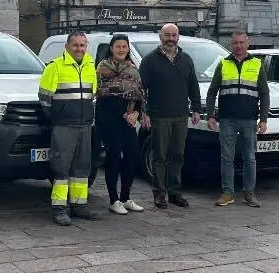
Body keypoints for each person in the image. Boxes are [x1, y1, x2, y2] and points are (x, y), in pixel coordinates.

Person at [38, 31, 102, 225]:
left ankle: (79, 205)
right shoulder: (55, 67)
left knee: (82, 168)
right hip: (64, 126)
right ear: (67, 47)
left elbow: (93, 95)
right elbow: (44, 98)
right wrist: (60, 115)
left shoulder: (91, 66)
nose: (79, 49)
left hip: (85, 125)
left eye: (83, 45)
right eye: (75, 45)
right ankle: (59, 208)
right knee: (61, 168)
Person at [138, 23, 201, 209]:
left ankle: (174, 192)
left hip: (181, 116)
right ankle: (159, 194)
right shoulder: (150, 60)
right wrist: (144, 112)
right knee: (160, 157)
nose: (171, 39)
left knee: (178, 155)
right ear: (160, 36)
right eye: (167, 35)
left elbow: (193, 86)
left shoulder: (186, 59)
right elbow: (141, 90)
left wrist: (196, 108)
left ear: (178, 37)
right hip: (159, 117)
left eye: (174, 35)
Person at [205, 30, 270, 208]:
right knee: (227, 157)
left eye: (241, 42)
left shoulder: (257, 64)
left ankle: (249, 193)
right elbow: (212, 92)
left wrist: (263, 119)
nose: (238, 46)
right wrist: (210, 115)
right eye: (235, 43)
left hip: (249, 119)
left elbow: (264, 93)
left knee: (250, 157)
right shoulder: (223, 64)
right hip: (227, 119)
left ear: (247, 43)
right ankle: (228, 193)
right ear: (231, 44)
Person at [95, 34, 147, 215]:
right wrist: (124, 114)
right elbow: (101, 95)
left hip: (128, 119)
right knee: (114, 155)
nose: (121, 50)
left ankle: (126, 197)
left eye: (124, 47)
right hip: (108, 117)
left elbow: (139, 95)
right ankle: (113, 199)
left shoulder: (133, 69)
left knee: (133, 154)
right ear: (111, 48)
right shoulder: (102, 68)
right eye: (118, 46)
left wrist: (136, 113)